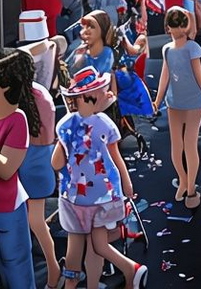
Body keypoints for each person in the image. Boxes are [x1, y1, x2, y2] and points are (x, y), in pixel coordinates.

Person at [53, 68, 146, 289]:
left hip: (75, 195)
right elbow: (116, 158)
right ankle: (127, 271)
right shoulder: (105, 123)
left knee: (79, 246)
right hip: (103, 193)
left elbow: (55, 163)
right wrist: (127, 183)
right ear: (89, 97)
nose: (106, 94)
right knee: (96, 245)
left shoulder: (65, 126)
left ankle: (75, 284)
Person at [154, 6, 201, 209]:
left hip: (193, 102)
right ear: (168, 27)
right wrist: (157, 101)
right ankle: (183, 180)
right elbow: (164, 76)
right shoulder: (167, 50)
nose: (178, 28)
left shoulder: (193, 48)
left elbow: (200, 76)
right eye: (175, 24)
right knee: (177, 146)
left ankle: (191, 187)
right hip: (173, 102)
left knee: (190, 144)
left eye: (181, 23)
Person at [0, 50, 39, 289]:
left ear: (4, 88)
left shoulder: (18, 120)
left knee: (17, 269)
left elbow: (6, 169)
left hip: (7, 208)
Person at [19, 51, 61, 289]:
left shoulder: (27, 98)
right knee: (33, 222)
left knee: (35, 223)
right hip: (39, 164)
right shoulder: (40, 93)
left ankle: (54, 271)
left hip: (32, 166)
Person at [68, 10, 116, 78]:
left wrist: (83, 59)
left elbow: (95, 75)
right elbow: (67, 69)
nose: (85, 30)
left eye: (92, 27)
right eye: (84, 26)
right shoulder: (79, 46)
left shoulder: (107, 52)